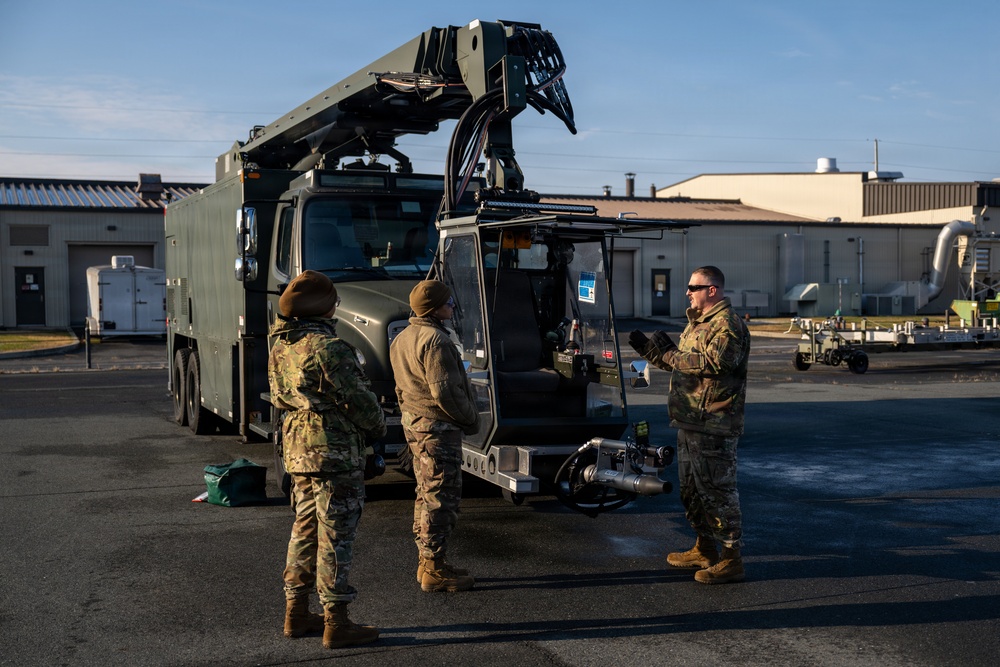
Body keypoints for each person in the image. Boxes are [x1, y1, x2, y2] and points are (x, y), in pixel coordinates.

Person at [268, 270, 386, 648]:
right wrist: (379, 427)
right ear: (323, 307)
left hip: (297, 451)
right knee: (336, 536)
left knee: (303, 529)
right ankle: (337, 622)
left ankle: (297, 613)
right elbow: (362, 404)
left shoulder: (281, 345)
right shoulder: (329, 348)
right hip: (333, 453)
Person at [628, 266, 750, 584]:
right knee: (692, 490)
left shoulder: (728, 325)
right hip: (690, 419)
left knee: (717, 492)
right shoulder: (697, 324)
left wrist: (670, 355)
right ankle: (705, 547)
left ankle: (731, 560)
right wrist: (654, 354)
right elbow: (683, 364)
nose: (688, 292)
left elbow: (715, 363)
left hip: (714, 423)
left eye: (693, 287)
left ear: (712, 290)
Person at [390, 279, 480, 592]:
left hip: (416, 425)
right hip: (437, 428)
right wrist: (470, 419)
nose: (453, 306)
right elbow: (445, 392)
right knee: (441, 497)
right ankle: (434, 569)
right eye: (448, 302)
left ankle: (429, 563)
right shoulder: (434, 341)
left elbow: (401, 387)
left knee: (425, 493)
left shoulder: (403, 337)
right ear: (434, 308)